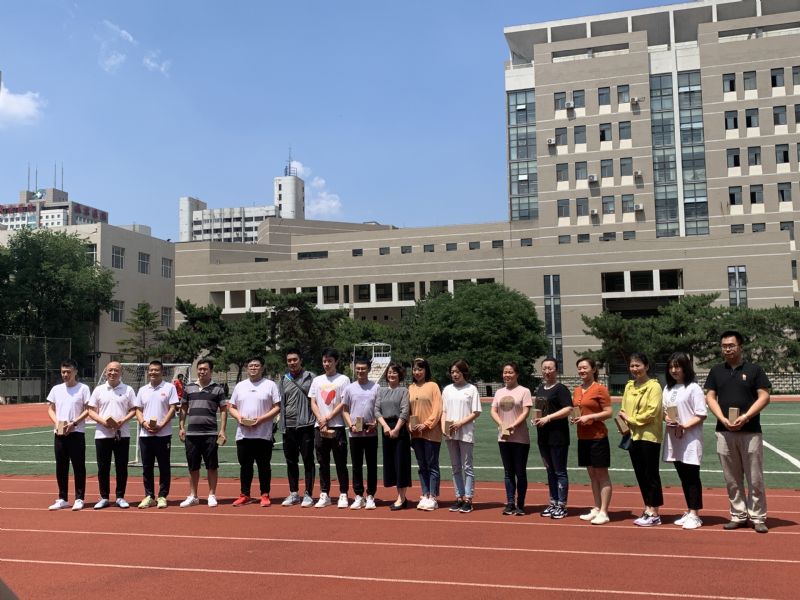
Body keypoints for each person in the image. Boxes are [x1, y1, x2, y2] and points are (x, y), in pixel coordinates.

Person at [705, 330, 771, 533]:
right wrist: (722, 418)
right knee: (732, 478)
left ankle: (757, 517)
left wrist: (747, 416)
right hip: (724, 432)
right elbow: (710, 397)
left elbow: (764, 396)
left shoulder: (754, 370)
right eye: (724, 346)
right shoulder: (716, 371)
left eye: (731, 345)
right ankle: (738, 515)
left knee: (755, 478)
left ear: (740, 347)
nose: (727, 349)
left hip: (750, 432)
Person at [228, 356, 281, 507]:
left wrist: (262, 419)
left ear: (262, 368)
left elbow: (277, 407)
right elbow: (231, 407)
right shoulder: (240, 386)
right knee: (245, 466)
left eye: (256, 365)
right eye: (250, 365)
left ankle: (265, 494)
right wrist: (239, 417)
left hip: (263, 434)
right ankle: (244, 494)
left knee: (264, 466)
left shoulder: (270, 385)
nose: (253, 368)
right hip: (243, 434)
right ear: (247, 368)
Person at [618, 353, 664, 527]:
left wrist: (631, 420)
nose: (635, 369)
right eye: (632, 366)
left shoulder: (654, 387)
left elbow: (652, 412)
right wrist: (623, 423)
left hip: (649, 435)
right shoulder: (629, 386)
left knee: (650, 473)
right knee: (640, 474)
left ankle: (655, 512)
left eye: (638, 365)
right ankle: (647, 507)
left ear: (647, 366)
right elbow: (623, 408)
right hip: (632, 435)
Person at [662, 352, 706, 530]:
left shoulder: (694, 388)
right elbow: (665, 411)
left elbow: (701, 414)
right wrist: (667, 418)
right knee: (683, 477)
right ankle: (689, 511)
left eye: (678, 366)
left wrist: (684, 426)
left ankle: (695, 514)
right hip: (674, 440)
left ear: (685, 367)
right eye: (671, 367)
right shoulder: (668, 388)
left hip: (690, 440)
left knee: (692, 476)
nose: (674, 370)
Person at [86, 361, 136, 509]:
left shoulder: (128, 390)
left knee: (121, 467)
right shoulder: (99, 390)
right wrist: (103, 422)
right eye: (110, 370)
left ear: (121, 372)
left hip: (122, 434)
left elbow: (134, 410)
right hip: (102, 434)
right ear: (106, 372)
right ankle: (104, 497)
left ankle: (120, 496)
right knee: (103, 467)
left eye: (116, 370)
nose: (112, 373)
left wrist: (123, 421)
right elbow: (90, 410)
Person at [178, 359, 228, 507]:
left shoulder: (218, 389)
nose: (202, 371)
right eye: (200, 369)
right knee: (193, 466)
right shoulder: (189, 388)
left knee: (211, 466)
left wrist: (222, 430)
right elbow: (183, 408)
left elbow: (223, 410)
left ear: (210, 371)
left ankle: (212, 494)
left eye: (205, 369)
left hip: (210, 434)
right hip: (192, 435)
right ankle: (193, 495)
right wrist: (181, 427)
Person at [571, 357, 613, 525]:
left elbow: (608, 412)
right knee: (592, 475)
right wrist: (575, 418)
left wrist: (591, 417)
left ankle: (604, 512)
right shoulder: (577, 390)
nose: (582, 371)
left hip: (598, 437)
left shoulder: (600, 389)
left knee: (602, 475)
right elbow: (577, 410)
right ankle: (596, 507)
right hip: (583, 437)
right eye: (579, 368)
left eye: (585, 368)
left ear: (594, 370)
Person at [135, 360, 180, 509]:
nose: (153, 372)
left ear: (162, 372)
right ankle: (149, 496)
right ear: (148, 371)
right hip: (145, 435)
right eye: (151, 370)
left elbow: (173, 408)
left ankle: (162, 496)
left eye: (156, 370)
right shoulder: (142, 389)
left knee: (164, 466)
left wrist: (161, 424)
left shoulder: (169, 387)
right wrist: (143, 423)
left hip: (163, 435)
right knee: (147, 467)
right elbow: (138, 409)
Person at [47, 359, 91, 511]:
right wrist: (57, 423)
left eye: (68, 372)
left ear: (75, 372)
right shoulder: (56, 389)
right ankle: (62, 498)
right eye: (63, 372)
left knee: (78, 466)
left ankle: (79, 498)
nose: (65, 375)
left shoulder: (83, 388)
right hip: (60, 432)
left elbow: (88, 409)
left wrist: (74, 423)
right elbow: (50, 409)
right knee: (61, 466)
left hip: (76, 432)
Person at [309, 348, 350, 508]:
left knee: (340, 462)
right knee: (322, 462)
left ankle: (343, 494)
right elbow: (313, 402)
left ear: (336, 361)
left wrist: (328, 417)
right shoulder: (317, 380)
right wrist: (320, 419)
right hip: (319, 427)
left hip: (337, 427)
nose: (327, 364)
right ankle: (324, 494)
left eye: (330, 361)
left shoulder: (344, 379)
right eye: (324, 361)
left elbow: (343, 402)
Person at [532, 357, 573, 519]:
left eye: (550, 368)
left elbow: (568, 409)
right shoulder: (541, 388)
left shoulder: (561, 389)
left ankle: (562, 505)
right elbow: (539, 410)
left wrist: (549, 418)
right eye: (544, 368)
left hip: (558, 437)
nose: (547, 371)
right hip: (543, 437)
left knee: (559, 471)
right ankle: (553, 502)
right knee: (550, 471)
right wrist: (536, 419)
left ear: (556, 370)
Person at [491, 362, 532, 516]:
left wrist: (514, 425)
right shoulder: (499, 392)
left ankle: (520, 504)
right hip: (504, 438)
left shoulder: (524, 391)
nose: (507, 375)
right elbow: (493, 411)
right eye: (505, 372)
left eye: (510, 372)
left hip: (520, 438)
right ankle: (510, 503)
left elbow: (526, 412)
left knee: (520, 472)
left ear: (517, 374)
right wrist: (502, 424)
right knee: (508, 472)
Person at [441, 359, 481, 514]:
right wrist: (444, 427)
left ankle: (468, 499)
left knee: (467, 466)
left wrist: (460, 423)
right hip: (451, 434)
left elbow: (476, 412)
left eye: (457, 371)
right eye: (452, 372)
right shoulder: (447, 390)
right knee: (455, 467)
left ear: (464, 372)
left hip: (466, 432)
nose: (455, 374)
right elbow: (444, 411)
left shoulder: (471, 389)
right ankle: (459, 497)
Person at [278, 348, 317, 508]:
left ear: (301, 360)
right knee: (291, 461)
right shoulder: (283, 379)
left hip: (306, 425)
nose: (292, 363)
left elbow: (316, 400)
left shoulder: (311, 377)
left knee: (308, 460)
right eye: (289, 360)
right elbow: (281, 402)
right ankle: (294, 493)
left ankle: (308, 493)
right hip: (288, 426)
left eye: (295, 359)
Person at [342, 358, 379, 510]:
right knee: (356, 466)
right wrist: (350, 425)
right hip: (355, 434)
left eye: (363, 368)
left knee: (371, 465)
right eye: (358, 368)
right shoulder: (349, 389)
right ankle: (358, 495)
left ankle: (370, 496)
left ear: (369, 369)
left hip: (371, 433)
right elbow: (345, 410)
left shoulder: (376, 387)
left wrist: (375, 423)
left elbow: (379, 410)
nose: (360, 371)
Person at [375, 362, 412, 510]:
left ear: (400, 375)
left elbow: (405, 411)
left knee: (401, 463)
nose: (391, 375)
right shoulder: (381, 391)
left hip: (400, 429)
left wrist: (396, 429)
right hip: (386, 428)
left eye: (394, 372)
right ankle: (401, 497)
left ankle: (401, 498)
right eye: (389, 372)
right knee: (391, 463)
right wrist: (385, 426)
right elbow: (376, 410)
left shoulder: (404, 391)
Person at [408, 357, 443, 511]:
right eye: (415, 369)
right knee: (422, 465)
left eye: (420, 369)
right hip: (416, 434)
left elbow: (438, 409)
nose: (417, 372)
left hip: (431, 433)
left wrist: (427, 424)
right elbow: (408, 411)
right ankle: (425, 493)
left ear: (426, 370)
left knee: (432, 464)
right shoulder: (410, 388)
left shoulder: (433, 386)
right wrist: (410, 426)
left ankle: (433, 496)